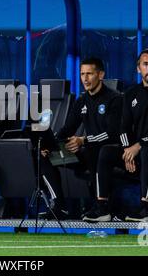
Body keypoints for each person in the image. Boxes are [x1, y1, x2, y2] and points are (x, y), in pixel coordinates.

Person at [84, 48, 148, 222]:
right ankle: (103, 208)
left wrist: (139, 145)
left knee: (147, 151)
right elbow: (123, 128)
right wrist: (128, 149)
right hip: (136, 151)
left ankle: (146, 208)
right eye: (145, 64)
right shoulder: (130, 94)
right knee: (106, 151)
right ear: (138, 68)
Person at [40, 58, 123, 219]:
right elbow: (67, 129)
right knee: (43, 156)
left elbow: (112, 134)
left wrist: (83, 140)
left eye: (89, 74)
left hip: (110, 152)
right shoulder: (82, 100)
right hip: (86, 150)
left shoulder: (115, 99)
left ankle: (102, 207)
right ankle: (58, 205)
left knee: (96, 151)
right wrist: (50, 145)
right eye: (82, 74)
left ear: (100, 74)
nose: (85, 79)